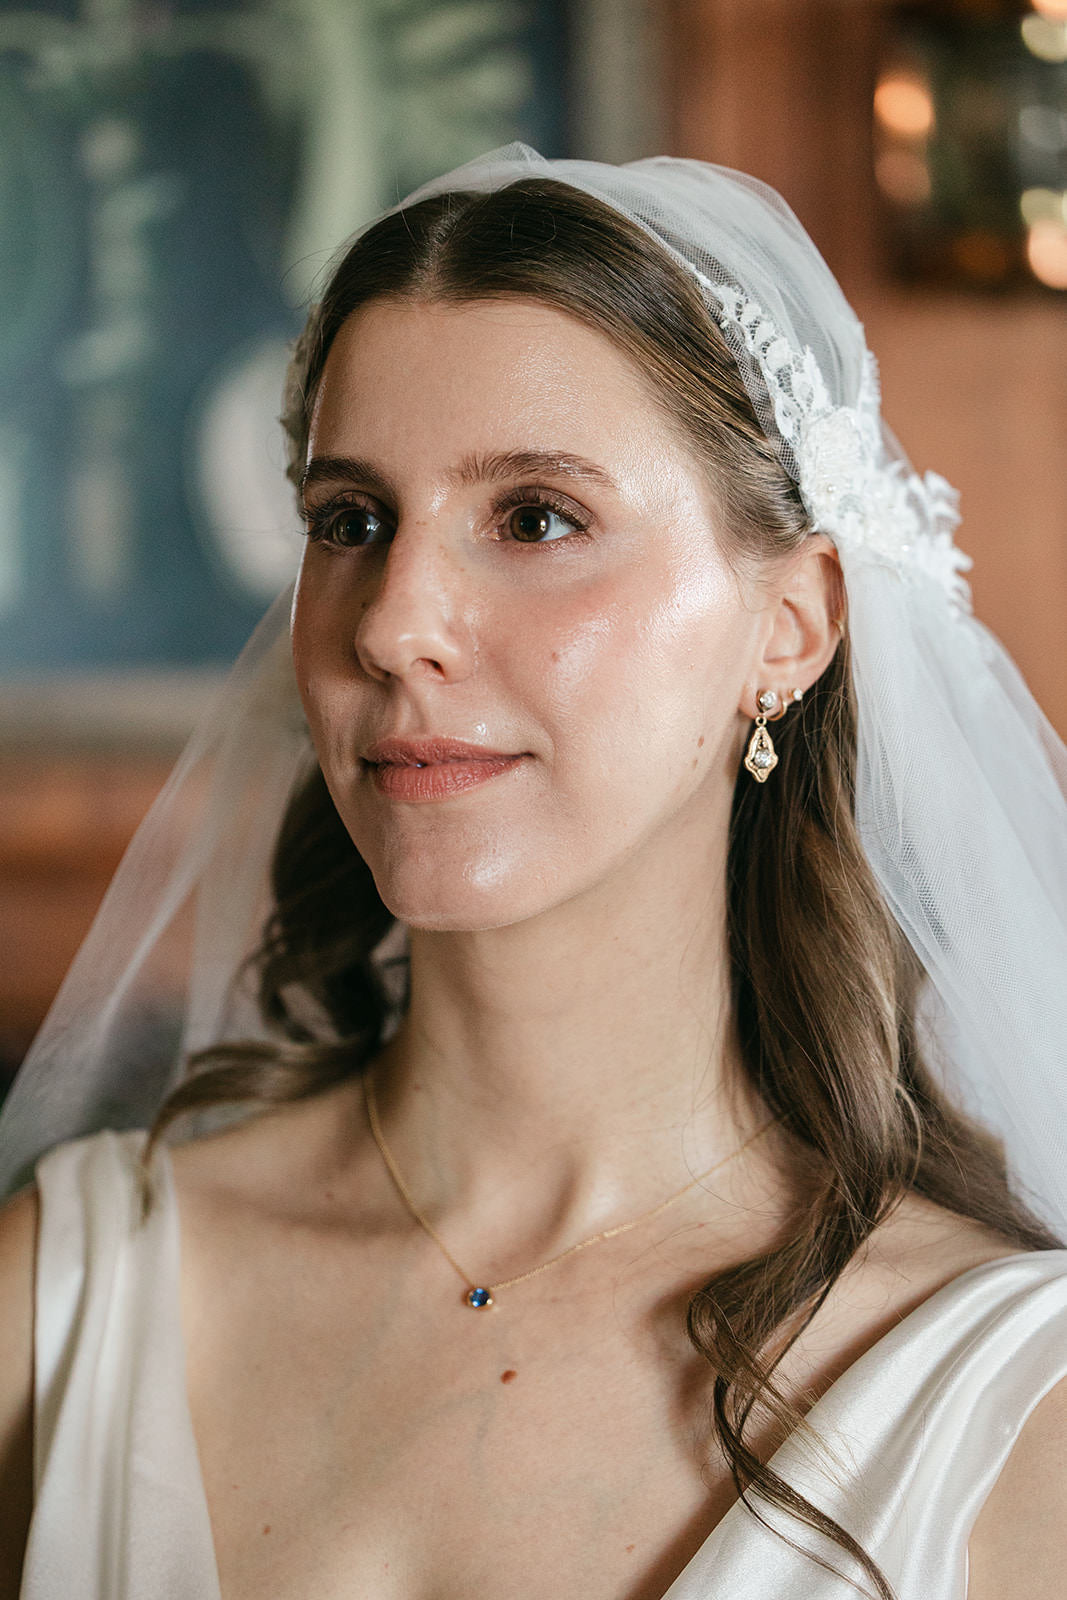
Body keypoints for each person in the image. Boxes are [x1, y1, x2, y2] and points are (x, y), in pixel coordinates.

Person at [1, 143, 1067, 1600]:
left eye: (536, 519)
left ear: (791, 626)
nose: (392, 626)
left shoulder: (1013, 1415)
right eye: (350, 522)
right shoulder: (64, 1301)